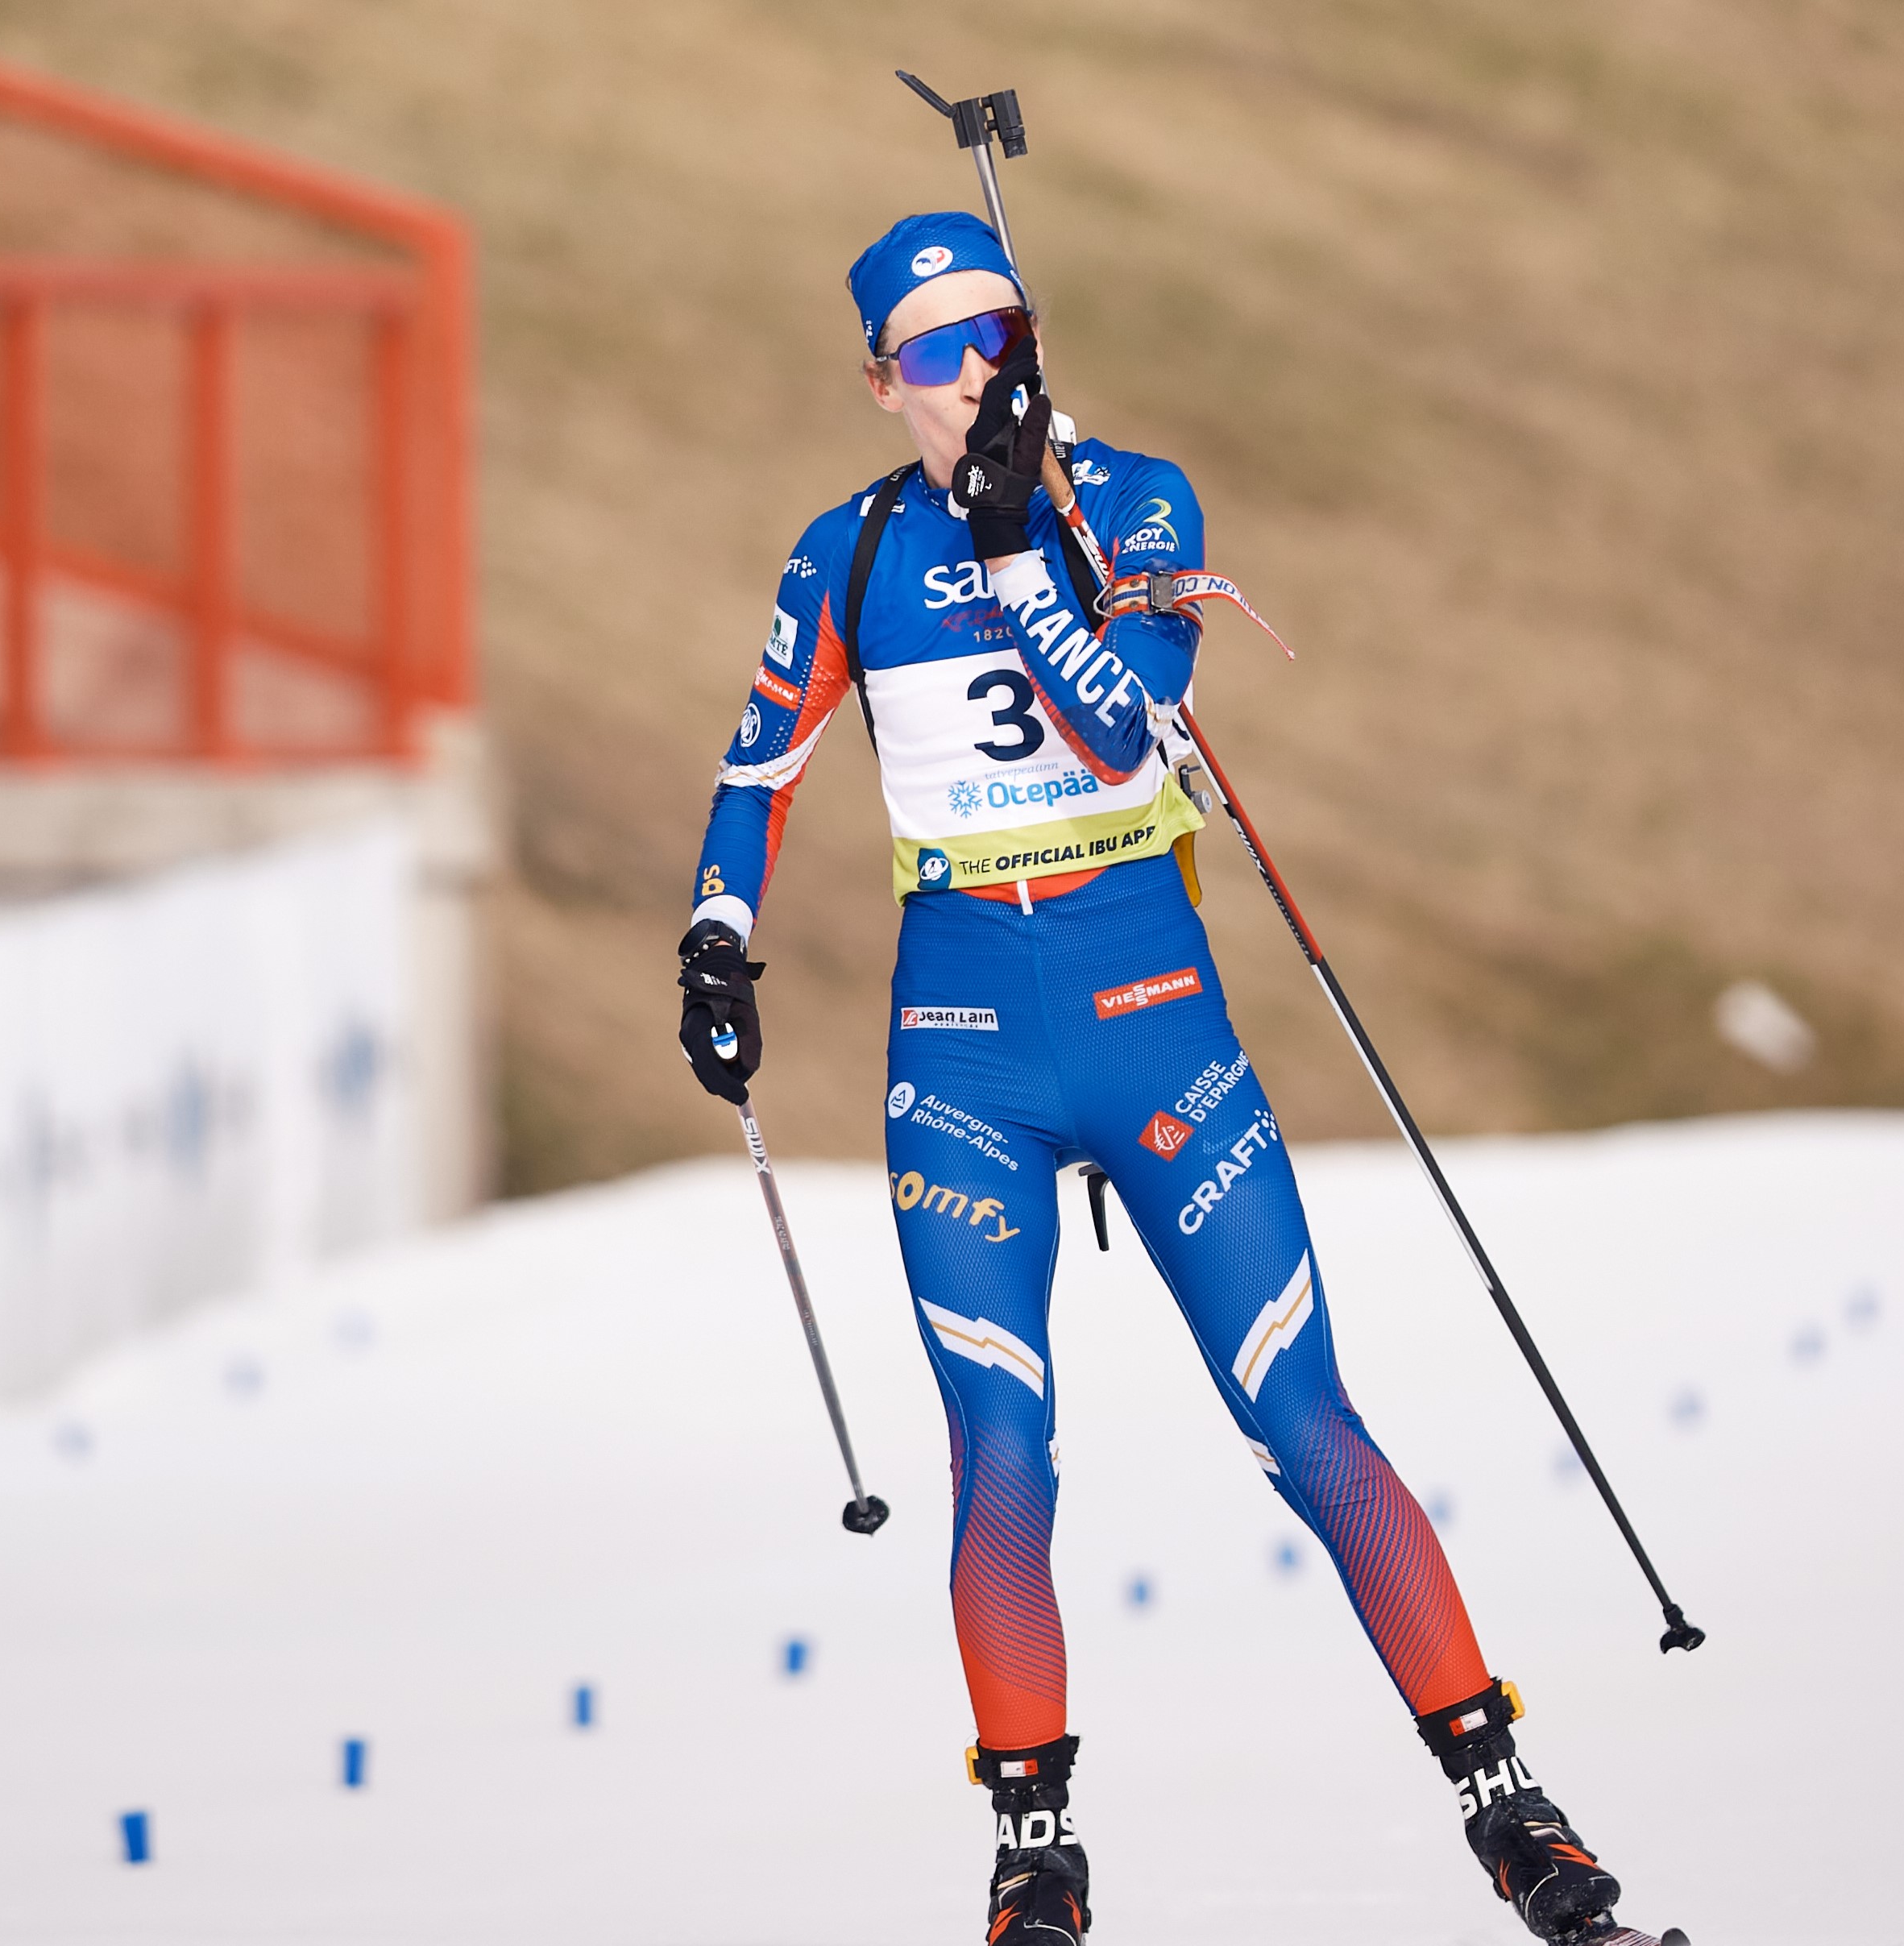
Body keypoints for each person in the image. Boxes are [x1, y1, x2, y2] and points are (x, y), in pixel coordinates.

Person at [675, 210, 1634, 1946]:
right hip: (964, 1050)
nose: (975, 375)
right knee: (1000, 1449)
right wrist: (716, 937)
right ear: (881, 381)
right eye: (935, 352)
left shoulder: (1130, 502)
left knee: (1305, 1419)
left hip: (1155, 1023)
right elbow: (759, 769)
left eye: (1001, 336)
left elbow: (1128, 728)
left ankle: (1513, 1812)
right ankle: (1032, 1853)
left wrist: (1021, 552)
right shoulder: (849, 548)